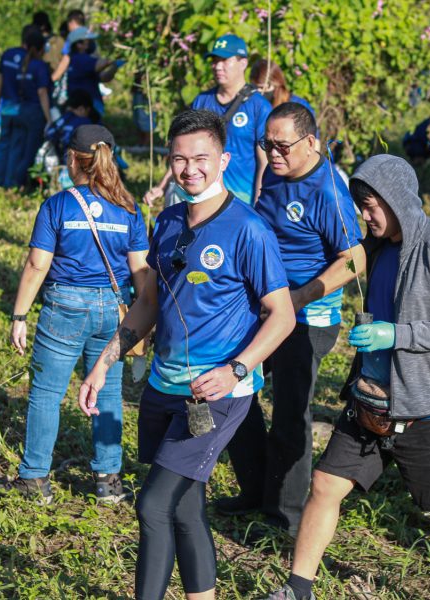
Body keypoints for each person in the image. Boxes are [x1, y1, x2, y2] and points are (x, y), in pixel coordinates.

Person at [78, 109, 295, 600]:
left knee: (152, 506)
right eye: (179, 159)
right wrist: (103, 363)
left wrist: (237, 368)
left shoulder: (248, 229)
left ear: (224, 159)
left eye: (201, 158)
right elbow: (149, 301)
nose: (189, 168)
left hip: (216, 395)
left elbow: (281, 315)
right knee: (184, 507)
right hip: (162, 387)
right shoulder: (169, 219)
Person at [264, 154, 430, 600]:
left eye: (372, 205)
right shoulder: (376, 247)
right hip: (371, 400)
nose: (364, 215)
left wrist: (398, 334)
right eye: (361, 205)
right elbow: (344, 267)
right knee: (325, 485)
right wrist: (298, 298)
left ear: (398, 201)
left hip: (426, 408)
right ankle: (298, 589)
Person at [218, 103, 364, 537]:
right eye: (267, 144)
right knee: (234, 393)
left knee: (289, 414)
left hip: (307, 320)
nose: (273, 153)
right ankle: (256, 487)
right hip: (260, 309)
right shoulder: (276, 176)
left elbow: (354, 260)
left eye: (282, 146)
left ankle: (284, 517)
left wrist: (297, 299)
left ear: (311, 143)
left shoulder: (329, 191)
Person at [5, 125, 149, 505]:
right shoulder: (129, 209)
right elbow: (141, 272)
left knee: (47, 394)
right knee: (109, 392)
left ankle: (34, 479)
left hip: (64, 308)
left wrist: (19, 316)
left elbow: (37, 265)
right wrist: (145, 323)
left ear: (73, 159)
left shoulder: (57, 205)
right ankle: (108, 480)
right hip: (114, 309)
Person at [146, 34, 272, 205]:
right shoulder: (202, 101)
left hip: (239, 199)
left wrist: (258, 204)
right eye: (214, 61)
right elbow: (184, 151)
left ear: (243, 63)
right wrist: (161, 186)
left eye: (225, 60)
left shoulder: (259, 106)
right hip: (201, 197)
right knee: (174, 195)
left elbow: (264, 162)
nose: (218, 66)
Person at [0, 25, 34, 188]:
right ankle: (9, 185)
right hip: (21, 108)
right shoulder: (29, 59)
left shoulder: (7, 54)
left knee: (3, 146)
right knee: (16, 148)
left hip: (6, 106)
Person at [11, 28, 52, 189]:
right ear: (41, 48)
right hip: (35, 113)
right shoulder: (39, 66)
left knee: (18, 150)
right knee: (30, 152)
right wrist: (49, 118)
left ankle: (12, 180)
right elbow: (42, 92)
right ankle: (20, 184)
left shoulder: (22, 65)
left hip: (21, 110)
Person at [63, 27, 120, 120]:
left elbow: (104, 78)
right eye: (88, 41)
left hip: (89, 106)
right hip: (84, 109)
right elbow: (99, 65)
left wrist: (114, 67)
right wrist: (114, 56)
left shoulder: (82, 60)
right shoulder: (80, 59)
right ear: (79, 44)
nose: (91, 44)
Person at [249, 59, 314, 114]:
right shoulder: (250, 106)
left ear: (276, 83)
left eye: (263, 88)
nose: (259, 91)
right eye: (254, 87)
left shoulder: (298, 107)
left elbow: (310, 128)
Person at [45, 89, 95, 158]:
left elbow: (49, 133)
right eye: (88, 111)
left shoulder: (64, 119)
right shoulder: (85, 122)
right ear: (82, 109)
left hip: (64, 159)